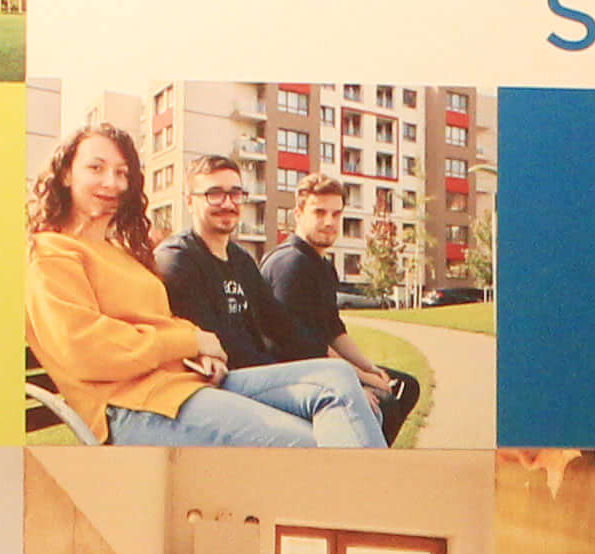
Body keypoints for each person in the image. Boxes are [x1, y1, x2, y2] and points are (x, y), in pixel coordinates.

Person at [25, 122, 381, 448]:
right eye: (96, 168)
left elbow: (162, 320)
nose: (113, 183)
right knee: (315, 443)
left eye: (122, 172)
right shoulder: (51, 253)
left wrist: (202, 349)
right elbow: (84, 349)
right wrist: (192, 341)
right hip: (133, 407)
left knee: (338, 380)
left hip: (188, 384)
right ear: (66, 173)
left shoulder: (120, 253)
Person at [257, 176, 424, 442]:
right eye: (319, 212)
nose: (329, 222)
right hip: (286, 374)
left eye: (336, 214)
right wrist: (357, 381)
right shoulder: (290, 265)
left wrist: (369, 368)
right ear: (298, 214)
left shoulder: (322, 264)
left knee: (406, 386)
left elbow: (333, 330)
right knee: (383, 402)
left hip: (316, 364)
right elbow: (301, 347)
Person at [158, 161, 310, 371]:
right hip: (224, 377)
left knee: (339, 372)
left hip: (260, 370)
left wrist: (329, 359)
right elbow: (219, 343)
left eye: (235, 194)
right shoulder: (177, 259)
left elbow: (282, 326)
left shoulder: (242, 260)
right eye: (215, 194)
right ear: (190, 202)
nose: (228, 204)